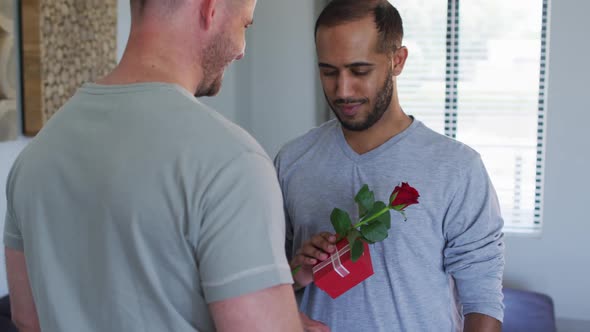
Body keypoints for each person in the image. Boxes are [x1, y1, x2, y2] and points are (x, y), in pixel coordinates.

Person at [4, 0, 304, 331]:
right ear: (209, 9)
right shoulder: (233, 164)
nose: (242, 49)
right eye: (244, 26)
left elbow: (27, 318)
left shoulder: (37, 156)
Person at [274, 0, 505, 331]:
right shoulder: (291, 162)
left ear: (397, 61)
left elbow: (482, 300)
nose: (342, 90)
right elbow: (266, 284)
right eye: (328, 71)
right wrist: (298, 271)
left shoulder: (457, 168)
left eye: (359, 71)